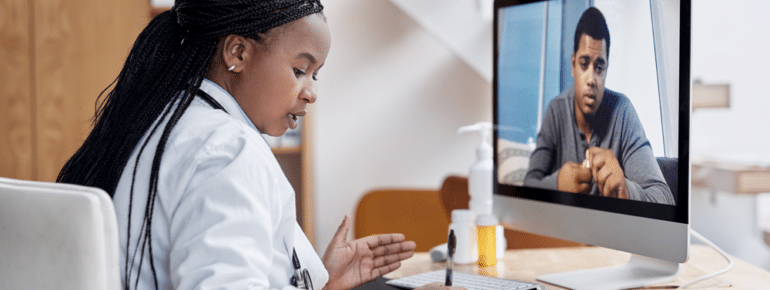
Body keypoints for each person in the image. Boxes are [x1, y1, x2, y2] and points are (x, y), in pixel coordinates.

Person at [57, 1, 461, 289]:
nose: (310, 93)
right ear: (238, 53)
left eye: (315, 76)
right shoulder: (227, 150)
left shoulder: (169, 120)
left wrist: (323, 281)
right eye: (300, 69)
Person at [523, 7, 675, 205]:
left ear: (606, 70)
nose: (591, 79)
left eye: (599, 67)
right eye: (584, 64)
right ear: (573, 65)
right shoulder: (556, 110)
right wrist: (557, 184)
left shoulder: (623, 112)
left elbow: (665, 198)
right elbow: (527, 186)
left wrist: (626, 190)